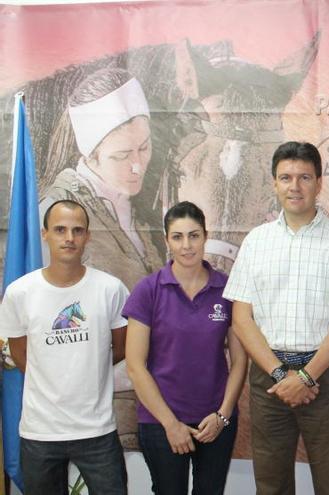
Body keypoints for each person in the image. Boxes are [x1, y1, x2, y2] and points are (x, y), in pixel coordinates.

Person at [223, 141, 329, 495]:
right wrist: (281, 374)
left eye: (304, 177)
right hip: (268, 380)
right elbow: (242, 319)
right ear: (274, 183)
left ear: (319, 183)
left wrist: (305, 376)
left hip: (325, 378)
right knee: (271, 485)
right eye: (286, 177)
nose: (295, 186)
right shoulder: (257, 241)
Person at [0, 200, 128, 493]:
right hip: (40, 432)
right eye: (60, 229)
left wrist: (88, 364)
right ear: (45, 234)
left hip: (97, 430)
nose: (69, 238)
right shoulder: (20, 293)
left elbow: (120, 348)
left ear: (87, 236)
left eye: (77, 230)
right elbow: (20, 355)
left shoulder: (111, 289)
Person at [123, 201, 247, 494]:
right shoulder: (148, 290)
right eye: (177, 237)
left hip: (215, 420)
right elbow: (134, 365)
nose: (186, 245)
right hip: (160, 421)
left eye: (194, 235)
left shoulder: (228, 290)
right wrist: (171, 424)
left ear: (205, 236)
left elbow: (240, 362)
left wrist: (223, 415)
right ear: (167, 240)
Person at [40, 67, 164, 289]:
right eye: (122, 155)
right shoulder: (55, 210)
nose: (138, 167)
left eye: (144, 148)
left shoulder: (146, 203)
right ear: (92, 155)